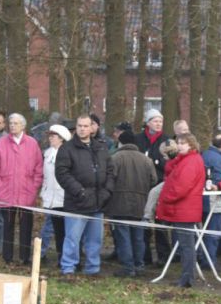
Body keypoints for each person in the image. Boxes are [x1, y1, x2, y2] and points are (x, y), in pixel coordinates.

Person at [55, 115, 114, 278]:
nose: (82, 129)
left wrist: (107, 191)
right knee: (72, 238)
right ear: (76, 127)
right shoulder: (67, 148)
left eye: (86, 126)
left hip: (98, 202)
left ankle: (92, 268)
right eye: (80, 126)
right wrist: (79, 191)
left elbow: (110, 171)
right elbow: (62, 173)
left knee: (95, 240)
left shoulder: (101, 148)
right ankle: (68, 268)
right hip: (77, 202)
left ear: (92, 128)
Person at [0, 113, 43, 265]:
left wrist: (34, 187)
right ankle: (8, 257)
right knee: (8, 226)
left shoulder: (32, 144)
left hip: (27, 192)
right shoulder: (1, 143)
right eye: (11, 123)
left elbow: (39, 168)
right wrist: (0, 185)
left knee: (26, 226)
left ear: (23, 126)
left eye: (16, 123)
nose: (12, 125)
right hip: (7, 193)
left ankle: (25, 257)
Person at [156, 133, 205, 288]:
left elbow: (181, 187)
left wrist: (165, 199)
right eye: (179, 143)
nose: (180, 145)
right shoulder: (185, 160)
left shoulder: (191, 162)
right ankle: (187, 277)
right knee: (185, 245)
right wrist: (175, 157)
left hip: (185, 209)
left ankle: (188, 278)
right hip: (182, 209)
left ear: (191, 145)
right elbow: (169, 170)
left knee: (187, 246)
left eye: (183, 143)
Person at [106, 130, 157, 277]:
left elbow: (109, 180)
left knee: (123, 236)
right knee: (138, 236)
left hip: (119, 203)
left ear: (120, 143)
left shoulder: (115, 158)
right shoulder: (146, 160)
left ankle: (128, 267)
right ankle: (139, 265)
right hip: (141, 203)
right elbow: (153, 180)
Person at [135, 108, 173, 267]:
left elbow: (170, 161)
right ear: (148, 122)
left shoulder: (167, 140)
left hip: (160, 185)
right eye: (155, 121)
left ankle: (163, 256)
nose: (158, 124)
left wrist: (156, 163)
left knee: (160, 221)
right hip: (142, 184)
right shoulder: (138, 139)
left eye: (160, 121)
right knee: (144, 219)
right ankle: (145, 256)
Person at [38, 124, 72, 264]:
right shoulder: (47, 153)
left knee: (65, 232)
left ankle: (65, 258)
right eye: (50, 135)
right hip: (50, 198)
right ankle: (59, 257)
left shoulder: (68, 153)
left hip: (64, 198)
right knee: (56, 230)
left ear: (62, 138)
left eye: (53, 136)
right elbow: (46, 177)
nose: (50, 138)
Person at [200, 134, 221, 269]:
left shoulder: (205, 155)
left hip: (201, 200)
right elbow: (219, 181)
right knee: (213, 232)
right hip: (214, 201)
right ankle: (209, 261)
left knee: (204, 231)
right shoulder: (219, 160)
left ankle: (203, 257)